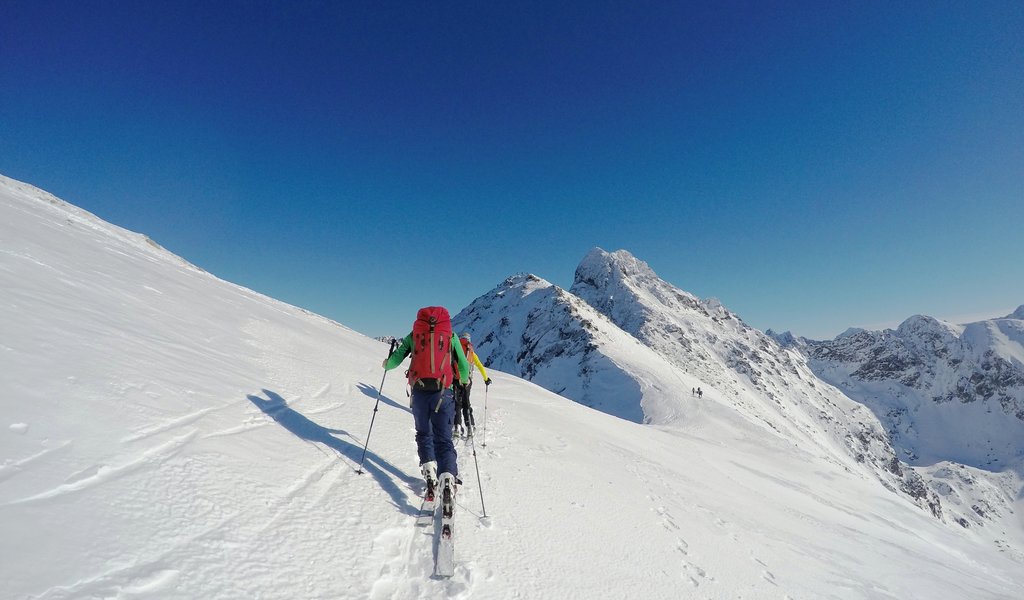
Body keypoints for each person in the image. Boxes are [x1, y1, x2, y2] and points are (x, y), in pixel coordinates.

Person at [383, 307, 471, 496]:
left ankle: (430, 471)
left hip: (419, 393)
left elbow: (394, 361)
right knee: (444, 440)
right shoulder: (451, 336)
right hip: (443, 393)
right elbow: (463, 365)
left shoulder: (414, 334)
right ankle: (447, 477)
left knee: (424, 434)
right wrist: (463, 381)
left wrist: (386, 363)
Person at [452, 332, 492, 438]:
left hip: (455, 380)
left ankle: (456, 426)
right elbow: (480, 366)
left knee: (456, 404)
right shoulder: (471, 352)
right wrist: (486, 379)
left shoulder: (456, 349)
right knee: (466, 404)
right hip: (467, 382)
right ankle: (470, 427)